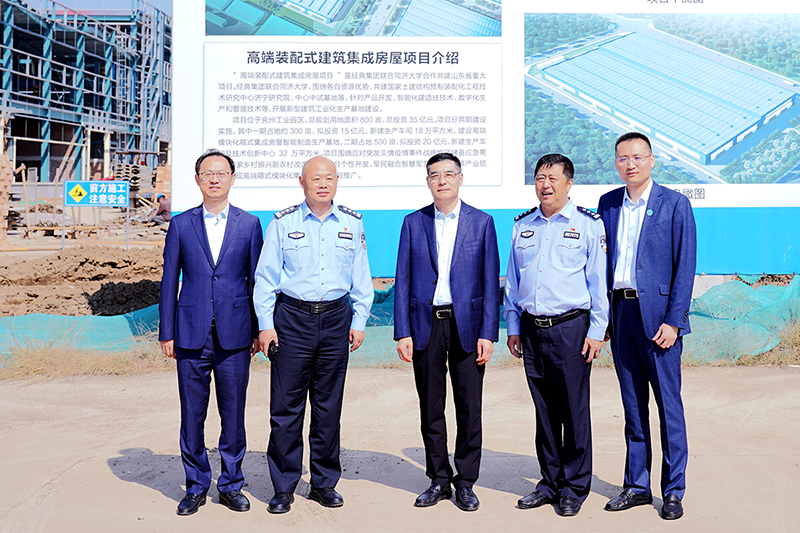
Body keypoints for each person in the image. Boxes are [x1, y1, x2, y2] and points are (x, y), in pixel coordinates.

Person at [254, 155, 373, 514]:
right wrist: (265, 324)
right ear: (302, 181)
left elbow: (361, 276)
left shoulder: (352, 222)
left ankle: (324, 483)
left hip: (336, 319)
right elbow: (266, 277)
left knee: (328, 407)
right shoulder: (283, 222)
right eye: (315, 178)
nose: (323, 184)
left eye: (329, 178)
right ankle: (284, 486)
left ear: (337, 181)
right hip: (292, 320)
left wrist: (359, 320)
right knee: (286, 407)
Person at [158, 149, 263, 516]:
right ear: (197, 180)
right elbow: (169, 279)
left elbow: (256, 281)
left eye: (221, 173)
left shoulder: (249, 224)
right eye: (207, 174)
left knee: (233, 414)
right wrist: (166, 331)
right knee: (192, 415)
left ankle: (231, 485)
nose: (214, 179)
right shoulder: (181, 224)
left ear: (232, 178)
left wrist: (257, 330)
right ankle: (196, 485)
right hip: (190, 333)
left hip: (236, 335)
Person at [597, 132, 696, 520]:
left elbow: (685, 266)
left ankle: (673, 491)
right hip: (621, 314)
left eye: (638, 157)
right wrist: (603, 317)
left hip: (659, 320)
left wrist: (674, 320)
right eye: (623, 158)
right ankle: (637, 485)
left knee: (668, 407)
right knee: (633, 407)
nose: (631, 164)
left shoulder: (674, 204)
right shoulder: (608, 204)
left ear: (652, 160)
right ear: (616, 163)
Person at [394, 153, 500, 512]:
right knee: (431, 406)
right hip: (426, 325)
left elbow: (490, 280)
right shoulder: (414, 222)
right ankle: (439, 479)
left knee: (469, 406)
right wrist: (402, 332)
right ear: (427, 181)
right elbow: (403, 279)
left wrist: (488, 333)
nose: (442, 180)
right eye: (435, 175)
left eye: (449, 174)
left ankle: (465, 481)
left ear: (460, 178)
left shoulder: (481, 222)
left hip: (467, 326)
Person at [504, 153, 609, 517]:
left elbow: (598, 283)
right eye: (539, 178)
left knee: (573, 410)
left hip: (571, 329)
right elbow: (513, 282)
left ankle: (574, 486)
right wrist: (513, 326)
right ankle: (549, 482)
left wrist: (597, 331)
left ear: (569, 183)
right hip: (531, 330)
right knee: (545, 410)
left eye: (552, 178)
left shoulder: (588, 225)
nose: (545, 185)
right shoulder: (523, 225)